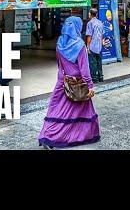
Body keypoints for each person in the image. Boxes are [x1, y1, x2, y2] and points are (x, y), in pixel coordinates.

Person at [38, 16, 100, 149]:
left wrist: (62, 78)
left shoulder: (60, 42)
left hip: (62, 81)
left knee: (56, 110)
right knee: (81, 109)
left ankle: (47, 134)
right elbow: (84, 69)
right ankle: (65, 136)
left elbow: (59, 64)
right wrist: (89, 85)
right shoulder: (80, 45)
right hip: (77, 83)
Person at [85, 8, 104, 83]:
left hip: (92, 46)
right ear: (96, 14)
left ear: (90, 14)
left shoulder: (90, 23)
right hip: (99, 46)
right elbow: (102, 34)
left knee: (92, 63)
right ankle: (100, 77)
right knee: (99, 62)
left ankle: (95, 78)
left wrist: (87, 46)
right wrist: (101, 42)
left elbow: (89, 36)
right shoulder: (100, 22)